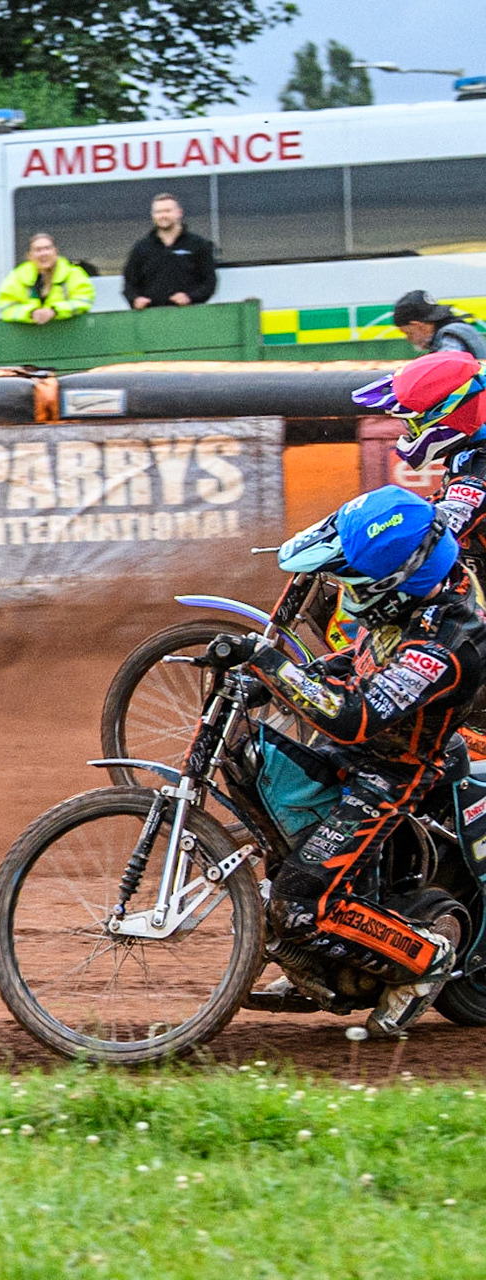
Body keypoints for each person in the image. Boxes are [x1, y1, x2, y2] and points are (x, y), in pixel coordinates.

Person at [223, 486, 481, 1034]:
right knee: (267, 806)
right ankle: (324, 960)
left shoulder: (449, 643)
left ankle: (423, 960)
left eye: (352, 583)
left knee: (296, 904)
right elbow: (364, 658)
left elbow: (356, 717)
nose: (344, 591)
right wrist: (298, 676)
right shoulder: (417, 590)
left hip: (393, 774)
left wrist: (277, 665)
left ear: (390, 584)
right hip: (355, 749)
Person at [357, 350, 486, 559]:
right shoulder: (470, 452)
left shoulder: (477, 471)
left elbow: (438, 533)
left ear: (446, 416)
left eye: (413, 425)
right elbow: (436, 510)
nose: (408, 433)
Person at [122, 192, 217, 311]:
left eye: (167, 211)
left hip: (190, 314)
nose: (163, 215)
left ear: (179, 213)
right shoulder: (141, 248)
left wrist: (190, 297)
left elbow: (209, 282)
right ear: (153, 215)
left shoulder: (197, 244)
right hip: (152, 317)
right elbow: (129, 284)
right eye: (158, 212)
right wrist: (135, 299)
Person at [0, 232, 95, 325]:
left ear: (55, 251)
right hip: (30, 338)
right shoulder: (17, 277)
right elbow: (5, 307)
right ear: (29, 255)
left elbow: (84, 301)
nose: (44, 253)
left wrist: (55, 311)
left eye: (47, 248)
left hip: (67, 335)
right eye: (38, 250)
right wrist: (31, 313)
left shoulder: (73, 273)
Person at [390, 290, 486, 358]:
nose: (409, 339)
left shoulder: (450, 337)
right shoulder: (458, 329)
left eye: (409, 333)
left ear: (418, 325)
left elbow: (446, 367)